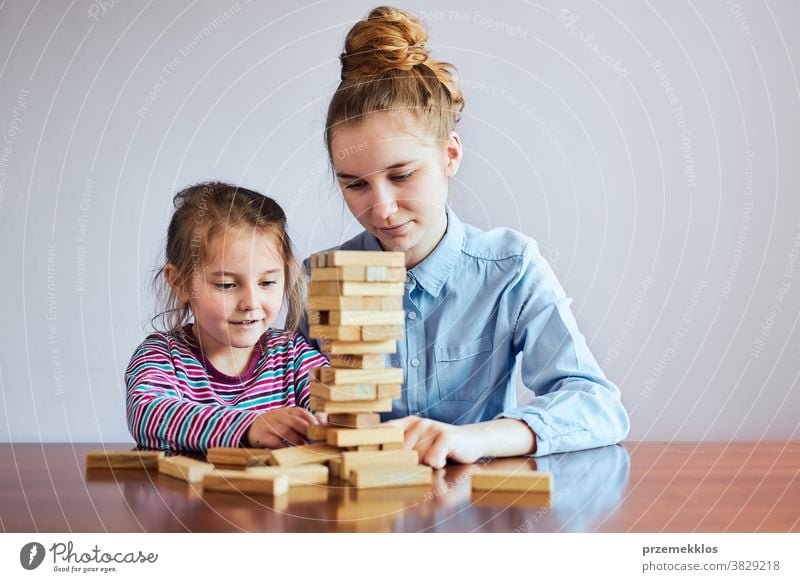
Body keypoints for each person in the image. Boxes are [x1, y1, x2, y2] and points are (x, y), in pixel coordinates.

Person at [308, 6, 629, 468]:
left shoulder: (511, 268)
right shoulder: (318, 280)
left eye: (402, 175)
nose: (381, 208)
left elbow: (597, 407)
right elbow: (282, 401)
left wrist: (475, 439)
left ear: (450, 156)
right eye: (355, 184)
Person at [126, 182, 326, 452]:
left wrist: (335, 420)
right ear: (180, 283)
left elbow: (338, 403)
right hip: (188, 494)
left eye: (267, 283)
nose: (251, 303)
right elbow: (148, 416)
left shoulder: (293, 355)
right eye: (227, 285)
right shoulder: (161, 357)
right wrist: (248, 427)